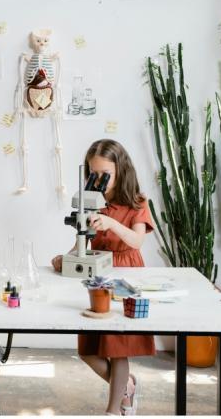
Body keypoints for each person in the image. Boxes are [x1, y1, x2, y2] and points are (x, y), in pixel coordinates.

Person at [51, 139, 154, 416]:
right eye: (93, 174)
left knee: (118, 348)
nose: (99, 180)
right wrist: (67, 257)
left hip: (125, 274)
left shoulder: (137, 203)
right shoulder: (92, 202)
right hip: (97, 276)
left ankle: (113, 411)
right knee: (88, 350)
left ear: (121, 170)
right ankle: (127, 387)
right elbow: (82, 240)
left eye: (104, 174)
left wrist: (112, 223)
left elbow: (136, 241)